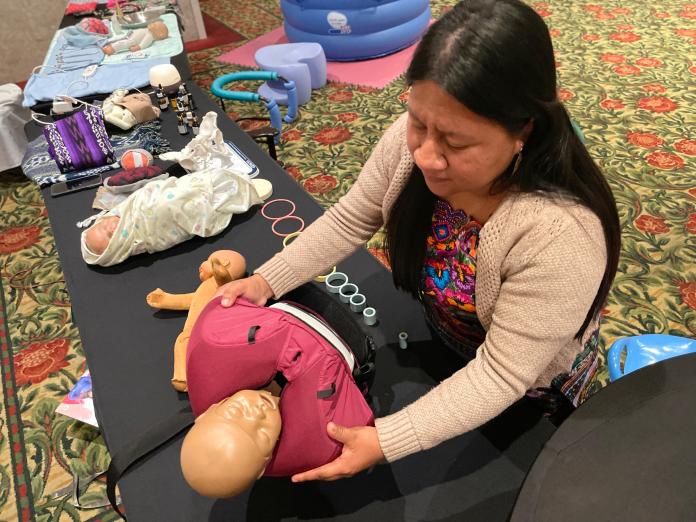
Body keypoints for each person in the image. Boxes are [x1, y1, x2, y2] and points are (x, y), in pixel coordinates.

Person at [215, 0, 621, 483]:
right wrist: (267, 280)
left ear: (523, 132)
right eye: (418, 122)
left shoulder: (561, 236)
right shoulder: (408, 146)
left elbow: (503, 374)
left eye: (456, 142)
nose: (427, 155)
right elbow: (350, 218)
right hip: (450, 344)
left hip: (531, 388)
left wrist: (387, 440)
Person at [81, 168, 272, 265]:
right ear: (117, 248)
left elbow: (143, 196)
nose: (107, 228)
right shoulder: (139, 241)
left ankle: (203, 189)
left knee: (172, 194)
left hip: (156, 199)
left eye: (100, 227)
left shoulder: (125, 209)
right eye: (108, 237)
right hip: (165, 216)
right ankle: (208, 198)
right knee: (169, 205)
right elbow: (160, 233)